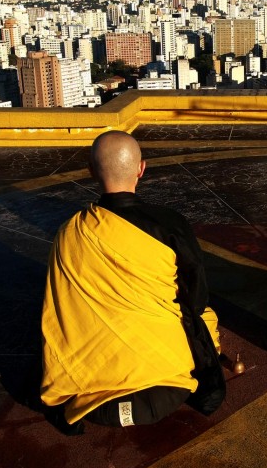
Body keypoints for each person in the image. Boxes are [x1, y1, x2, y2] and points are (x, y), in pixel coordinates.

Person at [40, 131, 224, 432]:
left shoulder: (70, 232)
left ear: (91, 171)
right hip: (169, 386)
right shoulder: (169, 224)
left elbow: (58, 308)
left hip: (91, 401)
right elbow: (196, 296)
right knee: (206, 317)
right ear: (141, 169)